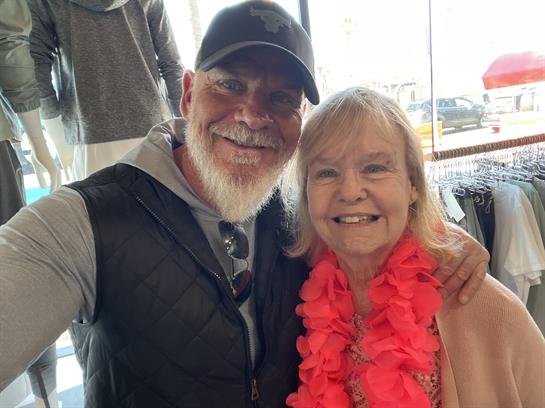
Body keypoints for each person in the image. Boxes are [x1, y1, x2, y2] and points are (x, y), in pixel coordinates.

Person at [0, 2, 489, 406]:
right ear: (188, 95)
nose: (253, 116)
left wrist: (438, 239)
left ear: (299, 119)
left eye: (281, 98)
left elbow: (368, 228)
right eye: (230, 84)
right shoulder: (84, 221)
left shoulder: (299, 215)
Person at [286, 87, 545, 407]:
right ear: (307, 193)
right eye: (326, 172)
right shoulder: (291, 289)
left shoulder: (483, 305)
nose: (350, 191)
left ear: (413, 186)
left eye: (374, 168)